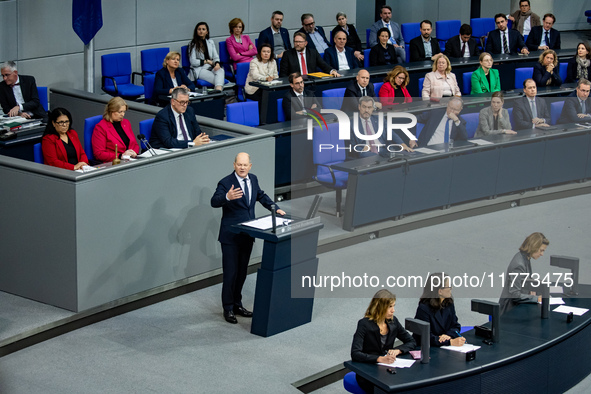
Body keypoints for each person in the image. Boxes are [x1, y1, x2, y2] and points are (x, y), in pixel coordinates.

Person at [211, 152, 286, 324]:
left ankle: (237, 304)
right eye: (239, 165)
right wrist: (227, 197)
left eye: (245, 165)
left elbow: (260, 195)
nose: (242, 168)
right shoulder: (225, 182)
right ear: (234, 165)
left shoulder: (253, 179)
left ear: (250, 166)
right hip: (230, 236)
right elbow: (214, 201)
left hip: (248, 234)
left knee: (242, 272)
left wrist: (274, 208)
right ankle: (228, 308)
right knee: (231, 273)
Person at [351, 289, 416, 394]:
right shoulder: (364, 324)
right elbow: (355, 353)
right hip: (368, 371)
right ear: (379, 307)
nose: (393, 310)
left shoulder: (393, 322)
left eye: (394, 306)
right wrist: (379, 359)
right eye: (390, 307)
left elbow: (411, 341)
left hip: (387, 369)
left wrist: (398, 350)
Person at [499, 232, 549, 315]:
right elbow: (514, 295)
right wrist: (537, 299)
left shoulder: (525, 258)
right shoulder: (519, 264)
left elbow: (525, 280)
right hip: (509, 310)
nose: (542, 254)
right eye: (541, 250)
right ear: (534, 247)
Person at [347, 96, 412, 160]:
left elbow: (391, 133)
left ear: (373, 108)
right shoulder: (351, 124)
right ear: (359, 107)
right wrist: (362, 149)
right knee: (372, 156)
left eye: (369, 107)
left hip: (383, 149)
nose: (366, 110)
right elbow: (351, 146)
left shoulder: (379, 119)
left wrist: (402, 144)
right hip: (366, 152)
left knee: (405, 154)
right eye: (364, 107)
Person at [414, 273, 466, 347]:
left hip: (442, 346)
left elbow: (455, 325)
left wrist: (447, 335)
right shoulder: (424, 309)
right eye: (449, 286)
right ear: (440, 291)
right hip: (427, 348)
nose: (451, 288)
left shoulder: (449, 303)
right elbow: (426, 337)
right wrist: (449, 342)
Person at [92, 97, 140, 163]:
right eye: (120, 112)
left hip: (130, 160)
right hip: (114, 163)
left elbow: (134, 144)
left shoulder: (126, 123)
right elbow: (99, 154)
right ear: (111, 111)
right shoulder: (101, 127)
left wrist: (134, 152)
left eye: (124, 111)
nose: (123, 114)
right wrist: (120, 156)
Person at [187, 22, 226, 92]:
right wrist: (206, 61)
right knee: (219, 80)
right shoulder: (192, 44)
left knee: (220, 70)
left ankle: (217, 92)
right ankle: (218, 93)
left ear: (207, 32)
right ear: (196, 31)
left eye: (203, 29)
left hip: (211, 67)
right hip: (200, 70)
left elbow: (216, 56)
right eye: (199, 29)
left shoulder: (210, 42)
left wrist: (217, 64)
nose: (201, 31)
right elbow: (193, 61)